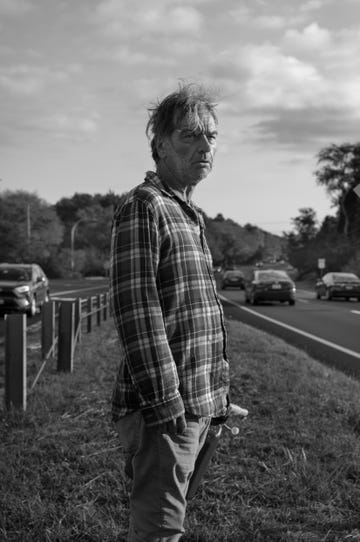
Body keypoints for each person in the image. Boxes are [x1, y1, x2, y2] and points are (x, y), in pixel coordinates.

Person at [110, 83, 230, 542]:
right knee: (159, 532)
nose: (204, 147)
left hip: (196, 402)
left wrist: (217, 395)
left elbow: (196, 311)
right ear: (159, 144)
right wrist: (164, 402)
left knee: (169, 524)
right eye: (190, 136)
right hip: (166, 409)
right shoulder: (145, 207)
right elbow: (137, 311)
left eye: (211, 137)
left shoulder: (189, 213)